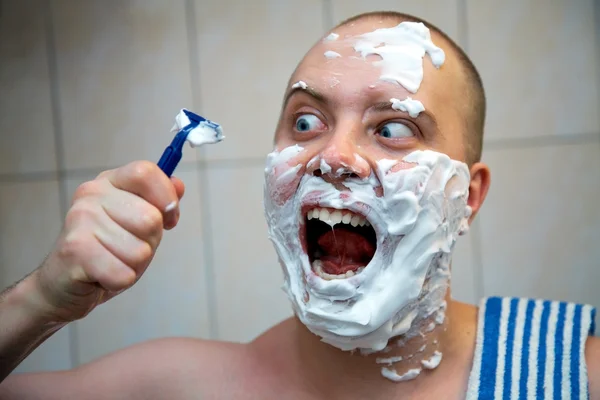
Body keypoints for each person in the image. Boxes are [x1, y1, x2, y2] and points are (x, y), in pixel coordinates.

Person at [0, 11, 598, 400]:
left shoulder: (571, 370)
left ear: (467, 196)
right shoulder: (180, 390)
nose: (332, 156)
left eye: (391, 128)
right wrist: (40, 300)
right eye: (306, 121)